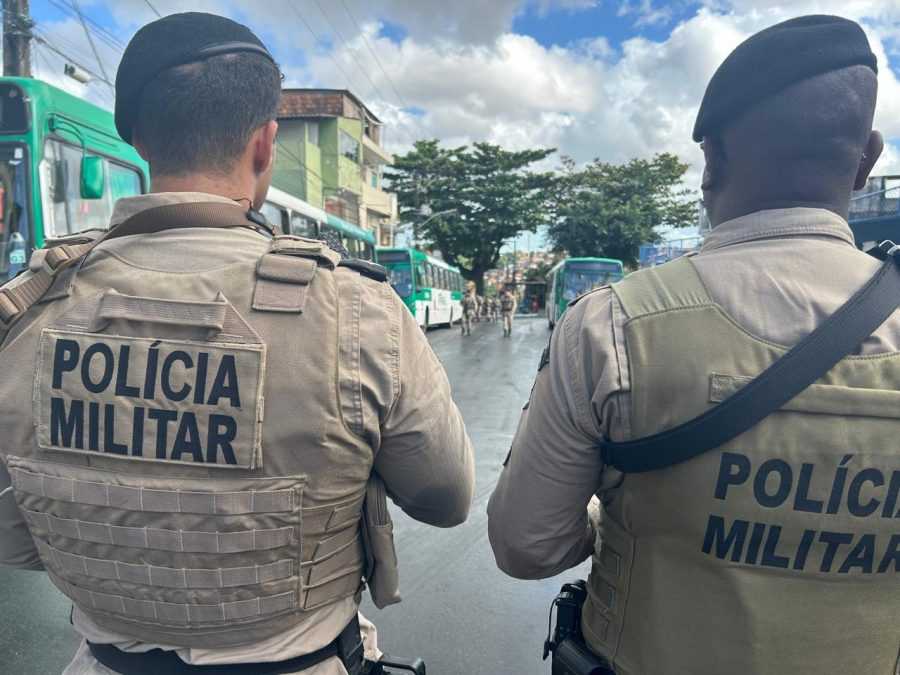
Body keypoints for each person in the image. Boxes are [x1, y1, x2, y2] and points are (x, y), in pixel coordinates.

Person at [0, 13, 475, 675]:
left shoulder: (26, 311)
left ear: (137, 139)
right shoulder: (359, 310)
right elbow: (445, 496)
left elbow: (17, 538)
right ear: (264, 145)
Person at [488, 15, 900, 675]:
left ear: (713, 159)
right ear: (866, 160)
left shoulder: (610, 327)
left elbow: (524, 544)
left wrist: (616, 521)